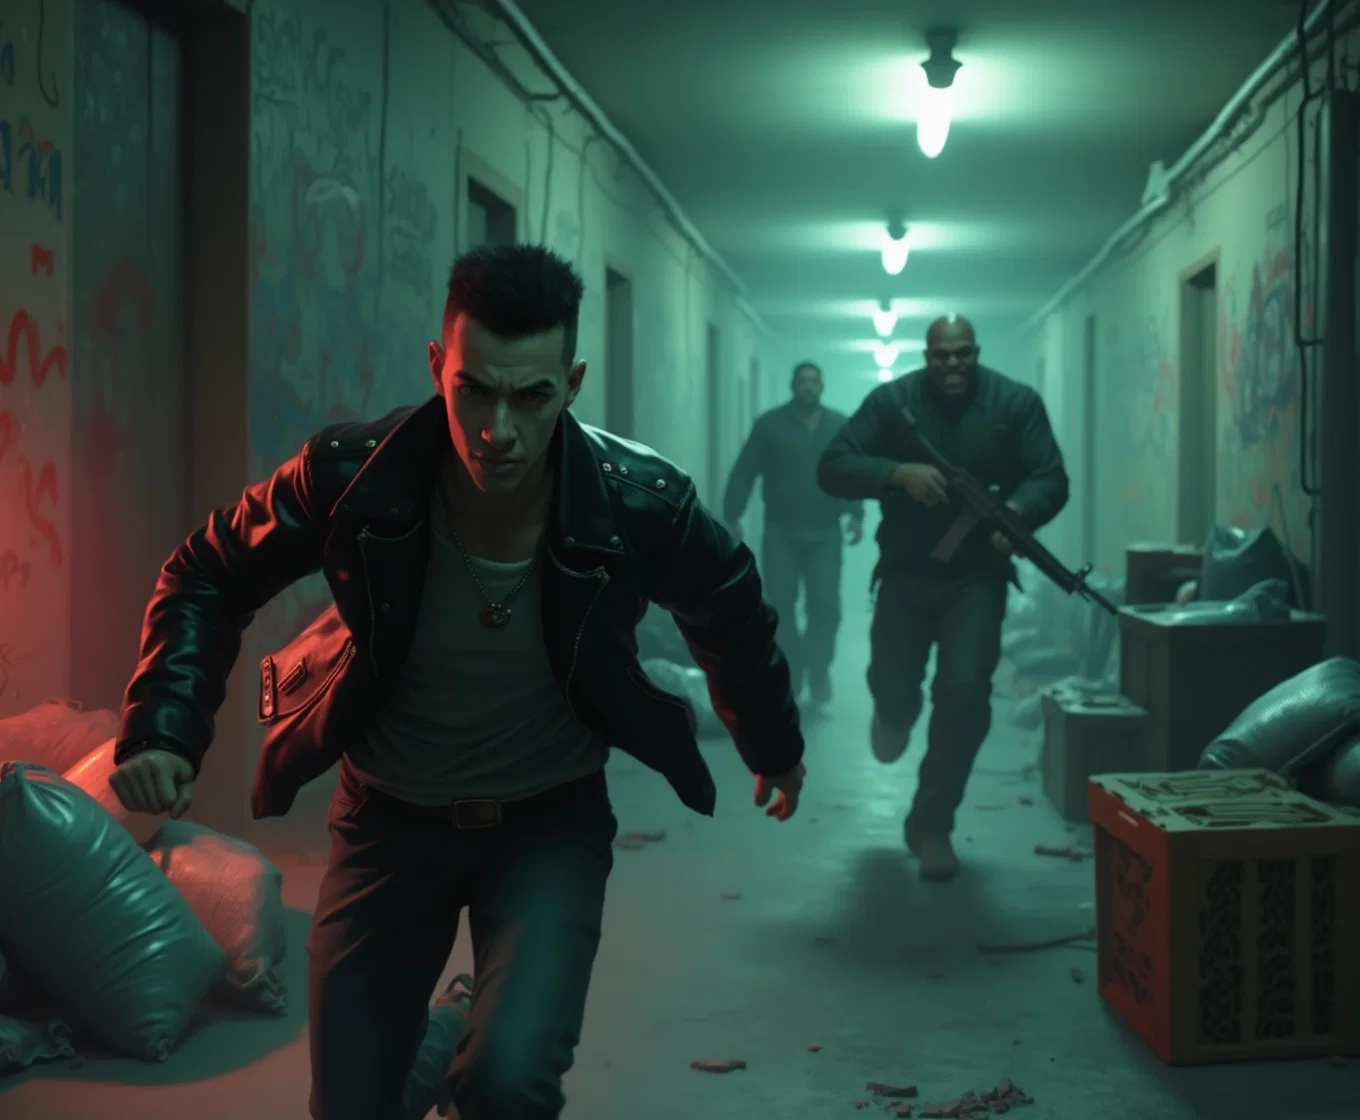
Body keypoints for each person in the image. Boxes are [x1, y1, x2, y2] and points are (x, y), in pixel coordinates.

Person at [107, 243, 807, 1119]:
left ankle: (472, 1047)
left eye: (531, 396)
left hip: (548, 826)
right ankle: (448, 1029)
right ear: (438, 366)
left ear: (572, 383)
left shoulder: (637, 500)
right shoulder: (353, 475)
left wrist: (772, 742)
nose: (497, 430)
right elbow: (207, 572)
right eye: (474, 390)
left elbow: (729, 602)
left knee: (507, 1085)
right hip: (387, 823)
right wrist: (164, 727)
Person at [818, 315, 1068, 882]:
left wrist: (1020, 512)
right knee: (894, 686)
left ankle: (932, 825)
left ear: (976, 351)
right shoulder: (892, 403)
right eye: (941, 355)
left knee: (965, 692)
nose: (953, 365)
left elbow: (1051, 476)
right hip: (906, 571)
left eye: (963, 354)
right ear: (926, 355)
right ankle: (893, 711)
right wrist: (896, 473)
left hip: (976, 577)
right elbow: (832, 466)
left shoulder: (1014, 404)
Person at [722, 361, 863, 706]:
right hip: (781, 532)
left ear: (822, 386)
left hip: (825, 533)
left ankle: (819, 669)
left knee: (825, 607)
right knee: (781, 607)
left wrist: (856, 514)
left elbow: (850, 471)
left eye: (814, 381)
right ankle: (792, 673)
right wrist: (732, 514)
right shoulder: (770, 425)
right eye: (802, 380)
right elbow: (745, 471)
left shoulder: (838, 425)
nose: (808, 386)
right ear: (793, 385)